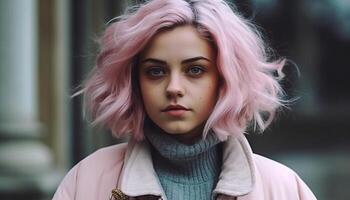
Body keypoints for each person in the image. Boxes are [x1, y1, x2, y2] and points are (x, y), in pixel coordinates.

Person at [53, 0, 317, 199]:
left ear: (226, 79)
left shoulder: (282, 188)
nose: (174, 88)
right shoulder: (87, 180)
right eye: (155, 71)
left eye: (195, 70)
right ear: (134, 83)